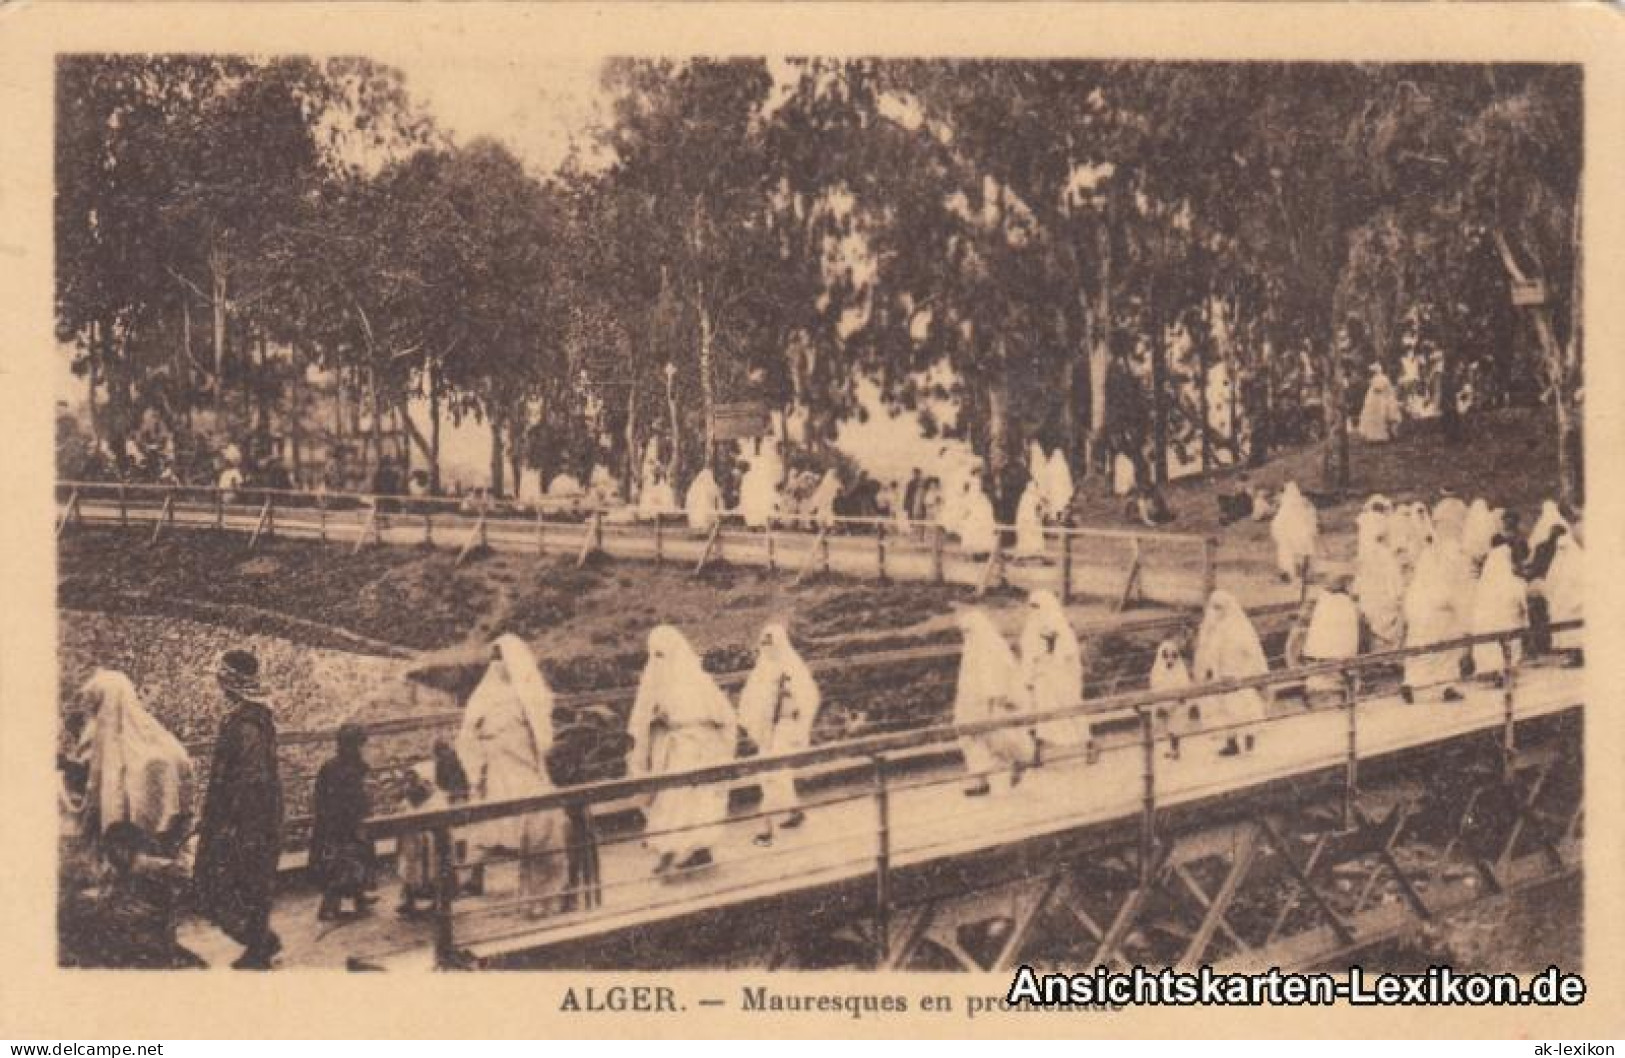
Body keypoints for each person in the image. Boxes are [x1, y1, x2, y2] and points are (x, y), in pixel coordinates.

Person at [456, 635, 564, 916]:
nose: (497, 664)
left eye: (501, 658)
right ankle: (472, 876)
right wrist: (476, 765)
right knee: (486, 821)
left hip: (521, 762)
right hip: (494, 765)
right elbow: (468, 734)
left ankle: (538, 884)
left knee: (532, 821)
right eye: (494, 658)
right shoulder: (484, 693)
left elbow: (541, 732)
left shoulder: (527, 694)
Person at [193, 649, 284, 969]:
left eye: (222, 676)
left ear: (231, 681)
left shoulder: (247, 723)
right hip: (248, 814)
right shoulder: (247, 717)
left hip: (249, 817)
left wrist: (233, 821)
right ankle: (261, 942)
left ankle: (260, 945)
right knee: (246, 880)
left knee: (242, 879)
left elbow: (252, 776)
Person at [626, 625, 736, 873]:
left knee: (697, 800)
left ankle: (699, 848)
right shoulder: (653, 680)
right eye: (655, 654)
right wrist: (655, 720)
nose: (659, 660)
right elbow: (641, 717)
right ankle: (668, 848)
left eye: (664, 653)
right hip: (670, 748)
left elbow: (723, 715)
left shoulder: (698, 679)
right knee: (667, 800)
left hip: (701, 747)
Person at [71, 670, 193, 848]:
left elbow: (87, 772)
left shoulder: (101, 733)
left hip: (140, 830)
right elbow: (180, 760)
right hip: (160, 829)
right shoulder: (151, 730)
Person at [81, 821, 204, 969]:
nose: (112, 853)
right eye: (110, 848)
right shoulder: (122, 869)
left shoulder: (154, 867)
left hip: (150, 928)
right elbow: (109, 895)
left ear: (125, 848)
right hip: (133, 928)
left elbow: (184, 882)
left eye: (115, 848)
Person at [737, 623, 819, 846]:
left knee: (773, 775)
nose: (768, 648)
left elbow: (809, 696)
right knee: (773, 775)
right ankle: (794, 811)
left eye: (771, 643)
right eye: (764, 643)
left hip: (785, 729)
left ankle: (765, 828)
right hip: (766, 731)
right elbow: (750, 699)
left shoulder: (793, 668)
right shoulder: (761, 670)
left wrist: (794, 710)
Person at [954, 608, 1031, 796]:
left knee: (1001, 738)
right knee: (970, 737)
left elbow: (1000, 675)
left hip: (993, 702)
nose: (967, 635)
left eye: (969, 631)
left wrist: (995, 699)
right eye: (964, 632)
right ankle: (980, 779)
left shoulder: (993, 648)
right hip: (971, 702)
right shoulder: (971, 649)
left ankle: (1020, 760)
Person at [309, 723, 376, 921]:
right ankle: (329, 907)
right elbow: (324, 799)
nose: (358, 749)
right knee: (339, 863)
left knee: (358, 858)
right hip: (336, 823)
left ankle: (359, 898)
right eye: (356, 745)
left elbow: (362, 792)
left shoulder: (357, 765)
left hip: (353, 820)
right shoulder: (332, 768)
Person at [1192, 590, 1271, 756]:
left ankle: (1249, 746)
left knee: (1246, 710)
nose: (1216, 611)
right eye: (1214, 607)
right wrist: (1206, 670)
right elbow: (1206, 652)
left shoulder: (1239, 628)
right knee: (1223, 712)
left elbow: (1252, 653)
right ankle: (1231, 743)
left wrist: (1248, 674)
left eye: (1220, 607)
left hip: (1239, 675)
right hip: (1219, 676)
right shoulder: (1211, 629)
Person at [1401, 532, 1473, 704]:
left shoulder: (1418, 580)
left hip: (1419, 620)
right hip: (1440, 621)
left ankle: (1411, 682)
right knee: (1445, 654)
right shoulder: (1443, 576)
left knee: (1418, 653)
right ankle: (1446, 687)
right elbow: (1450, 598)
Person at [1019, 590, 1089, 755]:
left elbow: (1069, 653)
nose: (1034, 610)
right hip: (1041, 677)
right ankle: (1037, 752)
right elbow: (1028, 652)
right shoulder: (1031, 627)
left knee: (1070, 710)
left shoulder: (1060, 626)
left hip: (1060, 677)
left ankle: (1089, 744)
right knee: (1039, 713)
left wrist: (1052, 651)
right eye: (1032, 606)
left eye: (1038, 606)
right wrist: (1028, 675)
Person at [1293, 580, 1360, 707]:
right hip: (1333, 666)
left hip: (1329, 665)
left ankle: (1330, 692)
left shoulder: (1330, 603)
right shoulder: (1338, 604)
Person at [1469, 544, 1528, 683]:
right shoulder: (1514, 582)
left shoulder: (1482, 585)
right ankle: (1506, 673)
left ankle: (1495, 671)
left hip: (1488, 626)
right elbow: (1522, 604)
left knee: (1491, 646)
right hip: (1509, 623)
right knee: (1511, 643)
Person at [1353, 498, 1407, 650]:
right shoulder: (1383, 554)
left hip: (1371, 598)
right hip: (1381, 598)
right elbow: (1393, 579)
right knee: (1388, 615)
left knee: (1375, 615)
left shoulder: (1366, 553)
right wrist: (1397, 594)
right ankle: (1387, 654)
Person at [1149, 639, 1196, 760]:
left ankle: (1175, 749)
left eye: (1173, 656)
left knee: (1176, 726)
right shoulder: (1158, 670)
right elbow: (1155, 687)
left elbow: (1185, 684)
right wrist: (1160, 704)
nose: (1170, 659)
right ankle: (1168, 749)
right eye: (1166, 656)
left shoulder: (1180, 669)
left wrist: (1181, 698)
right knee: (1163, 726)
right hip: (1163, 702)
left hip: (1177, 702)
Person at [1543, 528, 1583, 665]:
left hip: (1574, 595)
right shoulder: (1560, 560)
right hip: (1563, 595)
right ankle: (1573, 654)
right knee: (1565, 622)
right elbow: (1552, 578)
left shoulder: (1576, 559)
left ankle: (1578, 653)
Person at [1270, 482, 1318, 586]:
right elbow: (1312, 518)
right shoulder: (1303, 504)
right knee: (1302, 554)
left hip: (1292, 537)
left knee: (1290, 555)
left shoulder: (1286, 507)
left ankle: (1295, 576)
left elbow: (1278, 523)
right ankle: (1303, 575)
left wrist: (1278, 535)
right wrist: (1312, 531)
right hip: (1302, 536)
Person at [1357, 364, 1401, 442]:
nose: (1371, 373)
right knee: (1373, 418)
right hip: (1374, 401)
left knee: (1380, 418)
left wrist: (1372, 385)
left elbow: (1379, 389)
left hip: (1379, 400)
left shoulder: (1381, 378)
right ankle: (1373, 437)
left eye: (1372, 372)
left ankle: (1380, 437)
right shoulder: (1375, 378)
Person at [957, 475, 998, 557]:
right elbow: (966, 509)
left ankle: (981, 553)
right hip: (974, 521)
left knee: (980, 535)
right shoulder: (972, 497)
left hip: (981, 522)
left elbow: (988, 511)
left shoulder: (983, 498)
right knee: (972, 534)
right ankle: (975, 553)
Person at [738, 456, 780, 529]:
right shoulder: (748, 477)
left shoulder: (750, 477)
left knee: (756, 511)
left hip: (755, 502)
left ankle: (757, 524)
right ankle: (755, 524)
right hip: (753, 502)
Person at [1012, 479, 1048, 561]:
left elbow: (1041, 505)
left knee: (1035, 537)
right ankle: (1023, 556)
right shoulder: (1030, 496)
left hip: (1030, 521)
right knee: (1029, 537)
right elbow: (1040, 506)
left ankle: (1037, 554)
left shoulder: (1027, 496)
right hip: (1027, 521)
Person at [1461, 498, 1500, 566]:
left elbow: (1465, 536)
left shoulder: (1469, 521)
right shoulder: (1488, 519)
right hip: (1485, 550)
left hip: (1472, 551)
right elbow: (1493, 532)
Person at [684, 467, 722, 533]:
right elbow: (719, 502)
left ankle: (698, 528)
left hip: (695, 518)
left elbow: (688, 502)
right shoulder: (712, 487)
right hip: (707, 517)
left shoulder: (693, 487)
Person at [1044, 448, 1074, 523]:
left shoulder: (1049, 466)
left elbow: (1046, 478)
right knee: (1061, 503)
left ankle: (1054, 517)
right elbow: (1067, 480)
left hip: (1054, 490)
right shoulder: (1064, 466)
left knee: (1054, 503)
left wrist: (1046, 489)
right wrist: (1069, 490)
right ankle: (1061, 518)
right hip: (1061, 491)